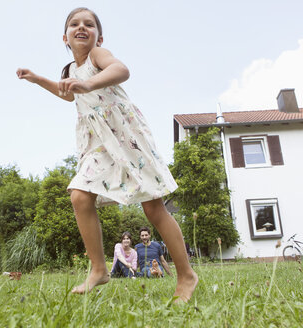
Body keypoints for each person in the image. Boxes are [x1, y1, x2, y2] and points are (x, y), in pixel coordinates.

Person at [16, 7, 198, 302]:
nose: (82, 27)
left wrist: (89, 82)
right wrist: (38, 79)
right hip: (98, 143)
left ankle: (187, 275)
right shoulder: (71, 71)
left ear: (99, 37)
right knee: (79, 195)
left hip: (127, 137)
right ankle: (99, 269)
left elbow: (121, 70)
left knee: (153, 209)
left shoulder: (98, 57)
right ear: (65, 36)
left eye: (89, 24)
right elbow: (67, 93)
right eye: (74, 24)